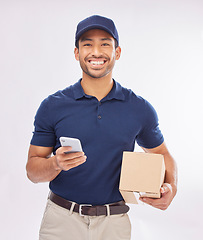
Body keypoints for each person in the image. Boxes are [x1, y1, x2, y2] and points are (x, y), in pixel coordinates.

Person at [26, 15, 177, 240]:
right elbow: (32, 170)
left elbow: (162, 154)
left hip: (114, 223)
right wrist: (55, 163)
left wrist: (171, 187)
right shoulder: (52, 106)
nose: (96, 52)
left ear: (117, 52)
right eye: (87, 44)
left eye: (105, 43)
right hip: (61, 220)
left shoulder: (139, 108)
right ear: (77, 53)